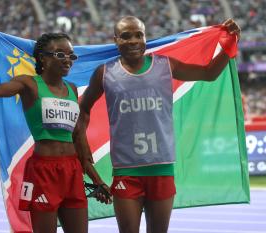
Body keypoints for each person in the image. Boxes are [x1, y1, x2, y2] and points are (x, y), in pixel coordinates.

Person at [78, 16, 241, 233]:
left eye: (139, 35)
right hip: (127, 171)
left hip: (161, 168)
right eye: (126, 36)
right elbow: (82, 110)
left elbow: (209, 73)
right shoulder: (105, 73)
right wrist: (82, 142)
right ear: (116, 40)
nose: (134, 40)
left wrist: (231, 44)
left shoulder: (165, 65)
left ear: (145, 38)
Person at [0, 18, 110, 233]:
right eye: (60, 54)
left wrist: (98, 181)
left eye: (71, 55)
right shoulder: (29, 84)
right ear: (42, 58)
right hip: (43, 172)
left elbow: (79, 140)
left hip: (72, 171)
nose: (68, 60)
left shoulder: (72, 89)